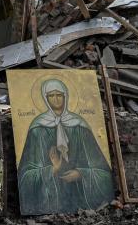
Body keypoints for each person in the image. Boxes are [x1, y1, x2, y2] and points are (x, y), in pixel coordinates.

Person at [17, 78, 115, 215]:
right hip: (50, 199)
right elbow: (25, 176)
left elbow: (103, 171)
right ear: (45, 99)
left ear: (66, 96)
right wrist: (52, 169)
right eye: (51, 95)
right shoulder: (37, 129)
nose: (56, 99)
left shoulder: (80, 125)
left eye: (59, 95)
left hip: (81, 195)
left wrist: (81, 173)